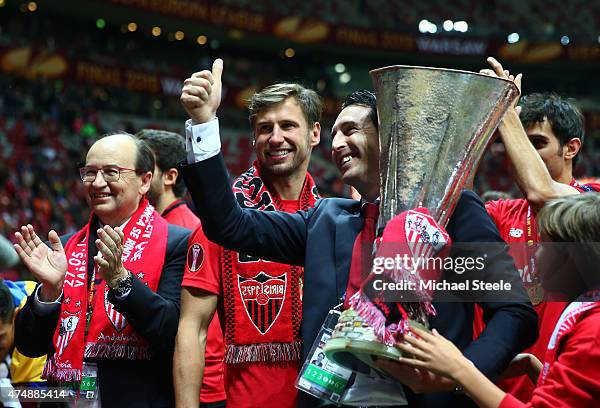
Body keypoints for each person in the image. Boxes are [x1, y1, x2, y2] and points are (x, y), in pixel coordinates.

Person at [178, 59, 537, 407]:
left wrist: (461, 377)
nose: (336, 145)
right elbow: (229, 223)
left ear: (391, 136)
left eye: (350, 130)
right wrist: (204, 122)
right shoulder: (324, 219)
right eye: (333, 135)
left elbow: (513, 313)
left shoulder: (452, 212)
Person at [12, 133, 190, 407]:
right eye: (90, 172)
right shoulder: (67, 246)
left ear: (144, 180)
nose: (97, 183)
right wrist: (49, 292)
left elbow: (172, 334)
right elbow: (29, 345)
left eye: (111, 172)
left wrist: (122, 280)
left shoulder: (176, 243)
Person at [174, 78, 322, 408]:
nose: (276, 137)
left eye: (287, 125)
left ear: (315, 133)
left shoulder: (331, 221)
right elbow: (193, 328)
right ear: (253, 137)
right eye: (265, 128)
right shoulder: (222, 225)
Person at [393, 193, 600, 408]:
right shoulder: (596, 316)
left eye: (543, 244)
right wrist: (543, 374)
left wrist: (459, 369)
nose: (535, 254)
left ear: (571, 257)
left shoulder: (598, 332)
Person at [477, 57, 600, 402]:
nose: (518, 151)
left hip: (565, 392)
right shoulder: (499, 213)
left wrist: (506, 112)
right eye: (515, 141)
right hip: (491, 392)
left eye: (535, 143)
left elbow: (544, 194)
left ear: (571, 148)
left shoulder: (599, 203)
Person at [137, 128, 226, 407]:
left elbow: (201, 328)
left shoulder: (182, 233)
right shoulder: (166, 226)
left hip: (197, 388)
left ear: (169, 177)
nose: (135, 174)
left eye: (144, 166)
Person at [135, 129, 201, 229]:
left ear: (170, 177)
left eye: (144, 165)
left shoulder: (185, 232)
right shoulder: (150, 220)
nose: (133, 173)